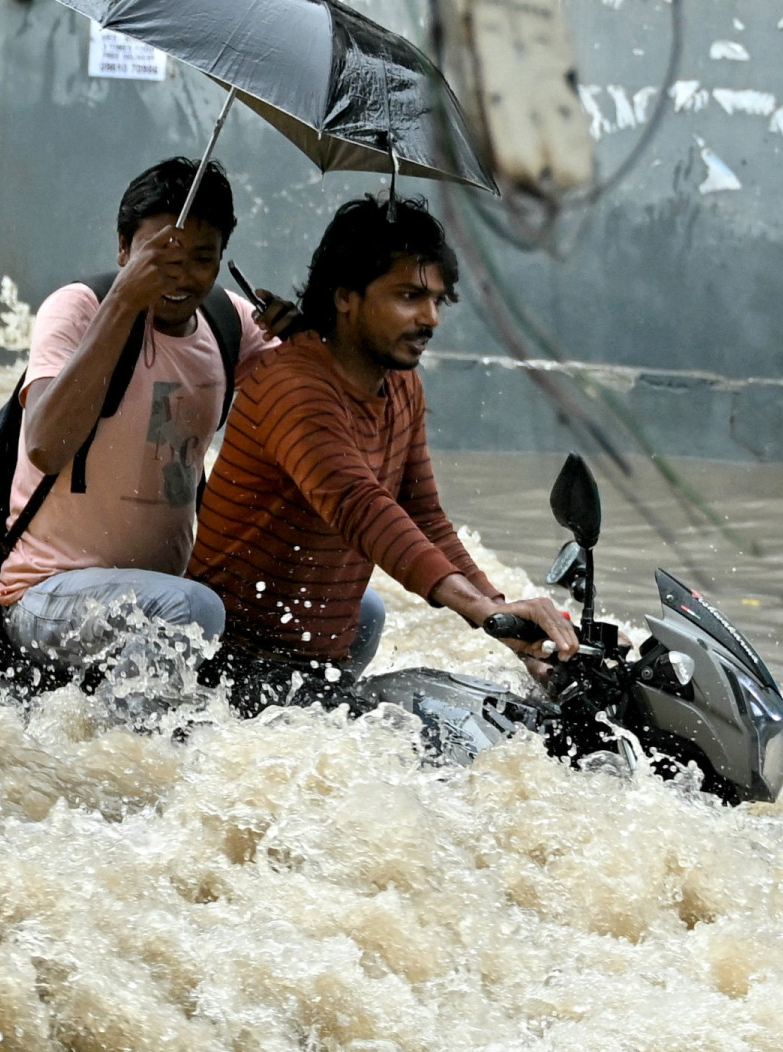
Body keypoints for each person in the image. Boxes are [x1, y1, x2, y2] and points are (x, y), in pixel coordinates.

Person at [189, 194, 578, 712]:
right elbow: (362, 506)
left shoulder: (401, 387)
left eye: (438, 300)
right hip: (229, 666)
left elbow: (425, 517)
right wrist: (478, 608)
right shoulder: (294, 387)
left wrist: (506, 619)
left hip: (315, 667)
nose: (431, 318)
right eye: (409, 295)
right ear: (346, 296)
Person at [0, 157, 291, 672]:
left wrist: (308, 342)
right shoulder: (79, 308)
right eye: (161, 257)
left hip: (166, 597)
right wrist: (124, 301)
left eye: (203, 258)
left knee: (363, 610)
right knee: (189, 608)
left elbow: (308, 417)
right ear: (123, 248)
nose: (180, 277)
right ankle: (132, 751)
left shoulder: (229, 323)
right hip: (45, 594)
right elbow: (44, 445)